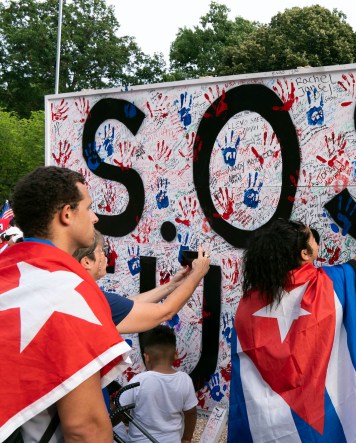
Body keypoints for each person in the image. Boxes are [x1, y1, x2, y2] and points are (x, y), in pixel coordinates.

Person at [228, 165, 356, 442]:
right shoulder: (332, 284)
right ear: (305, 254)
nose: (316, 236)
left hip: (267, 429)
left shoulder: (246, 305)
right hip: (319, 428)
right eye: (312, 236)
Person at [0, 166, 129, 442]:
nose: (94, 217)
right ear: (67, 214)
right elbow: (86, 430)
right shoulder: (68, 291)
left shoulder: (6, 271)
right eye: (89, 208)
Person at [73, 230, 210, 333]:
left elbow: (133, 304)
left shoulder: (81, 295)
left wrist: (172, 285)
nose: (106, 255)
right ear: (87, 262)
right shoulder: (92, 300)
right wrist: (197, 273)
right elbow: (165, 311)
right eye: (102, 251)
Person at [115, 325, 197, 443]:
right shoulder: (185, 380)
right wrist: (186, 439)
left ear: (146, 357)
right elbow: (191, 413)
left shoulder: (138, 381)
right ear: (176, 354)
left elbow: (119, 412)